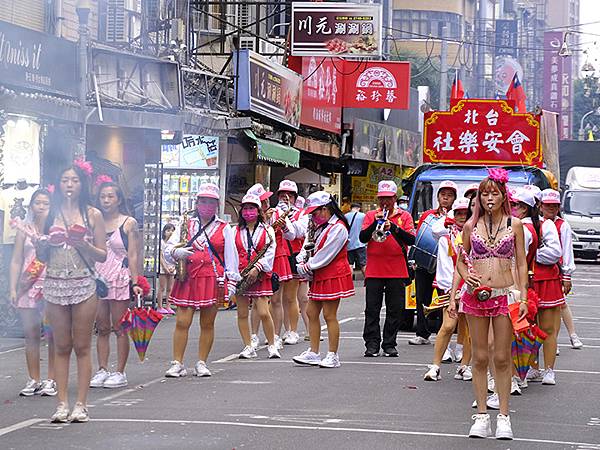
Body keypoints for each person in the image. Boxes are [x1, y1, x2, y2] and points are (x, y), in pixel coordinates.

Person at [448, 169, 528, 440]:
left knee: (503, 357)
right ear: (479, 198)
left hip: (505, 295)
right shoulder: (470, 226)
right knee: (479, 357)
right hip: (475, 297)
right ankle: (481, 416)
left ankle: (504, 416)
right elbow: (461, 258)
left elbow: (521, 263)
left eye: (494, 192)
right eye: (484, 193)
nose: (489, 197)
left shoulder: (514, 225)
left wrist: (524, 296)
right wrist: (465, 274)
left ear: (504, 195)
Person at [41, 161, 107, 423]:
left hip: (84, 282)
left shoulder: (93, 214)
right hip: (54, 282)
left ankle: (81, 403)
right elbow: (40, 255)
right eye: (65, 180)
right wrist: (40, 244)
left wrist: (84, 244)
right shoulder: (48, 214)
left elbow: (102, 254)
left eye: (75, 180)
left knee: (81, 345)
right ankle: (61, 403)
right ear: (59, 184)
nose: (69, 185)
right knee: (60, 345)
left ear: (83, 184)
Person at [164, 183, 238, 378]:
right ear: (197, 203)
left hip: (212, 278)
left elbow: (231, 257)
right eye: (203, 201)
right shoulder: (185, 223)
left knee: (207, 323)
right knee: (182, 321)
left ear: (217, 205)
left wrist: (231, 282)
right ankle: (177, 363)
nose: (206, 205)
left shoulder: (224, 228)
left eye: (211, 202)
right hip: (187, 276)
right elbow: (168, 248)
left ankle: (202, 362)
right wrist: (175, 252)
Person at [292, 192, 354, 368]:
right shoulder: (318, 226)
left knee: (329, 315)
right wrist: (301, 257)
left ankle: (333, 355)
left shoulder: (338, 228)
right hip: (320, 273)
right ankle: (314, 352)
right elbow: (308, 243)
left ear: (325, 209)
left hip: (332, 273)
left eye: (315, 212)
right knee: (311, 312)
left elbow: (327, 254)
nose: (313, 216)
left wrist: (307, 267)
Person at [90, 182, 143, 389]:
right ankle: (102, 369)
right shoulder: (94, 221)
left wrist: (136, 281)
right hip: (99, 279)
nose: (106, 200)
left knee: (120, 327)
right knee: (102, 327)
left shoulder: (128, 223)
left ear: (119, 199)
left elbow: (134, 254)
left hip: (120, 278)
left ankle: (120, 371)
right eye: (103, 196)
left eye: (110, 196)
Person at [359, 181, 416, 357]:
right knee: (372, 309)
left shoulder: (404, 216)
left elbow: (411, 240)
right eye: (382, 198)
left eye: (388, 199)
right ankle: (372, 344)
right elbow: (362, 238)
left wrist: (395, 228)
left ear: (394, 198)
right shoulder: (370, 215)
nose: (385, 203)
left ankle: (389, 343)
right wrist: (373, 224)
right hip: (375, 269)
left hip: (397, 269)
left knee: (395, 309)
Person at [9, 188, 56, 397]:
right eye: (38, 203)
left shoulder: (56, 230)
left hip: (51, 284)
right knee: (31, 334)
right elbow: (17, 259)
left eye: (46, 203)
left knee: (53, 334)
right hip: (28, 284)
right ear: (31, 206)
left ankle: (52, 379)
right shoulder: (24, 230)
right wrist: (12, 287)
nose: (42, 207)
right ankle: (34, 378)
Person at [423, 198, 471, 381]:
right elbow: (444, 266)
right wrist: (452, 291)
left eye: (465, 214)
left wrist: (468, 285)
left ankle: (464, 366)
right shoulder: (446, 238)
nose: (461, 217)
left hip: (470, 286)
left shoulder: (474, 235)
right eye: (458, 213)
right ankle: (435, 366)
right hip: (453, 288)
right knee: (448, 326)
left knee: (469, 329)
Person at [526, 189, 569, 385]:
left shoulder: (549, 225)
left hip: (547, 280)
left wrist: (533, 254)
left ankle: (549, 369)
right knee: (528, 328)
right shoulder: (514, 225)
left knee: (549, 328)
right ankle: (532, 368)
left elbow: (555, 253)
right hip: (525, 282)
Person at [409, 180, 457, 345]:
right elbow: (418, 237)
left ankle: (442, 331)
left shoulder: (457, 215)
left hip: (445, 265)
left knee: (445, 299)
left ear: (454, 199)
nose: (445, 198)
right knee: (423, 297)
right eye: (443, 195)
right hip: (424, 263)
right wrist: (414, 258)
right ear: (438, 197)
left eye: (449, 196)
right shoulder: (427, 215)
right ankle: (422, 333)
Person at [233, 193, 279, 359]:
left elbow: (270, 252)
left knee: (264, 312)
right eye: (245, 208)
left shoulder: (267, 230)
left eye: (252, 208)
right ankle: (247, 346)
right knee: (242, 313)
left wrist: (257, 268)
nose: (248, 211)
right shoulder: (234, 230)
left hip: (259, 275)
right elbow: (231, 253)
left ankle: (272, 345)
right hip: (241, 275)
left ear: (259, 211)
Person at [268, 180, 301, 348]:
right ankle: (275, 333)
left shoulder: (301, 213)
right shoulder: (272, 212)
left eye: (289, 196)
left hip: (294, 255)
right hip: (277, 255)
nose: (285, 198)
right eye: (282, 195)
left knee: (290, 297)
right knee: (275, 299)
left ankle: (292, 331)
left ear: (295, 197)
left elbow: (296, 234)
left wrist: (286, 218)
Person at [157, 223, 176, 315]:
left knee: (170, 288)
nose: (170, 232)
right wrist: (165, 267)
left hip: (172, 267)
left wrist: (173, 267)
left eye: (172, 230)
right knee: (162, 287)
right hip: (163, 267)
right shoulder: (161, 242)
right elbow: (160, 256)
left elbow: (176, 256)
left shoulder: (174, 243)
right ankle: (160, 307)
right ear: (164, 232)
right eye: (168, 230)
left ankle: (168, 306)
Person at [345, 203, 366, 278]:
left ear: (351, 208)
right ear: (359, 208)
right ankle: (368, 281)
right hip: (361, 243)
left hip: (349, 245)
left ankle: (349, 283)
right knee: (363, 264)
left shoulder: (346, 216)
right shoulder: (363, 216)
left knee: (350, 264)